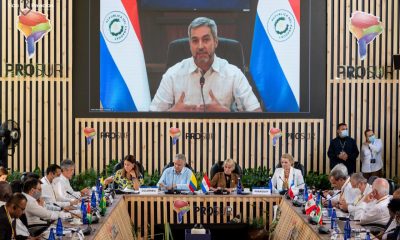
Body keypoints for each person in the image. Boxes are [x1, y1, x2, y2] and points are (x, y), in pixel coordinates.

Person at [150, 17, 261, 112]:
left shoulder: (233, 74)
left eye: (206, 39)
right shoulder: (172, 74)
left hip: (222, 135)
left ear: (216, 42)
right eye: (195, 41)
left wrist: (228, 114)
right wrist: (172, 114)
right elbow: (150, 119)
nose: (200, 46)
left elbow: (257, 115)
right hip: (183, 135)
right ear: (190, 44)